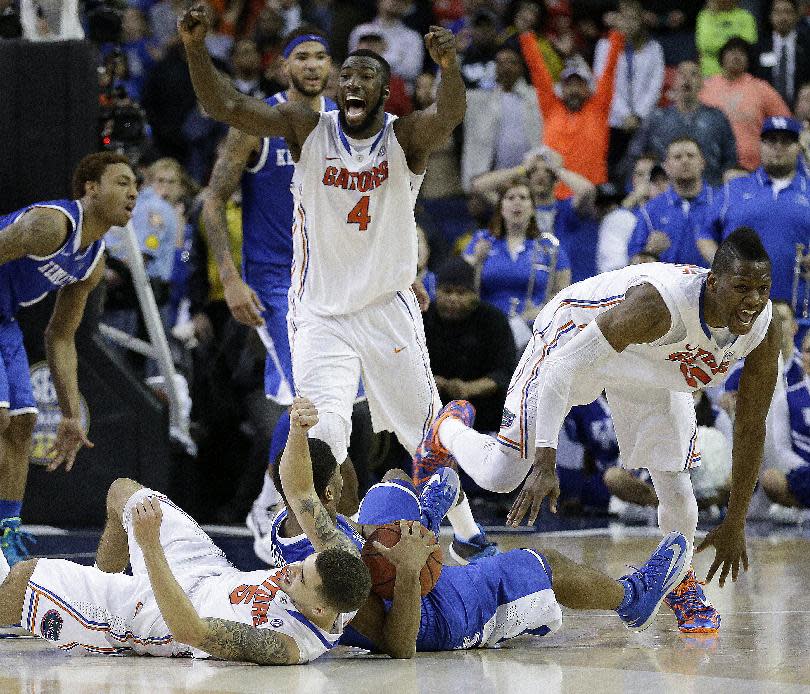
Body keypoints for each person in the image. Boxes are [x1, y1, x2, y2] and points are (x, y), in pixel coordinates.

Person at [180, 5, 491, 560]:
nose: (350, 82)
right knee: (323, 431)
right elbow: (221, 104)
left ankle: (468, 533)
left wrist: (449, 66)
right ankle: (309, 538)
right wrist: (196, 48)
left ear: (385, 90)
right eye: (345, 74)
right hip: (319, 311)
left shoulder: (406, 137)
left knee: (423, 427)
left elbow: (448, 116)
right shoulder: (307, 129)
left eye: (365, 75)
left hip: (386, 306)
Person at [416, 227, 781, 634]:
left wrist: (736, 520)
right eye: (742, 288)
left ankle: (680, 582)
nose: (753, 300)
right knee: (502, 476)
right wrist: (545, 460)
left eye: (762, 289)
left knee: (679, 491)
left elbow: (751, 426)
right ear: (713, 283)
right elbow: (561, 369)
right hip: (575, 337)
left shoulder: (762, 326)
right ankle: (447, 429)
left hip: (652, 363)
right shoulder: (658, 306)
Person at [268, 401, 691, 653]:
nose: (348, 484)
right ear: (327, 493)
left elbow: (299, 484)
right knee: (541, 563)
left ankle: (434, 516)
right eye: (342, 482)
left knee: (391, 485)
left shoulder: (286, 533)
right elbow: (399, 646)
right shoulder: (333, 573)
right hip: (429, 616)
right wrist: (413, 567)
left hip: (387, 571)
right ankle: (633, 599)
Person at [0, 470, 371, 663]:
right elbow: (302, 492)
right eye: (304, 562)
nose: (291, 569)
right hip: (209, 571)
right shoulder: (342, 568)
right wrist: (298, 429)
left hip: (163, 616)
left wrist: (149, 547)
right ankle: (94, 595)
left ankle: (101, 611)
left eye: (301, 577)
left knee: (22, 580)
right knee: (123, 493)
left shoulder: (287, 646)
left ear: (320, 609)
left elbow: (190, 629)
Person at [200, 26, 338, 537]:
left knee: (337, 403)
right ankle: (273, 503)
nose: (312, 65)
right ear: (284, 66)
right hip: (275, 283)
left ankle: (284, 497)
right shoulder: (257, 124)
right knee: (298, 398)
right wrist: (231, 280)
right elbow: (212, 204)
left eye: (321, 56)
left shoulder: (345, 126)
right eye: (302, 56)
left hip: (331, 283)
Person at [0, 152, 138, 566]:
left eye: (136, 186)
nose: (132, 192)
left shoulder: (92, 262)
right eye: (121, 182)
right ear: (90, 188)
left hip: (3, 318)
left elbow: (60, 336)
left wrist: (70, 413)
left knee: (23, 423)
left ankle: (6, 536)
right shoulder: (50, 225)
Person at [699, 116, 810, 305]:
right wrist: (723, 266)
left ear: (798, 147)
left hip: (800, 309)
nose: (778, 147)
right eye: (771, 140)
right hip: (737, 307)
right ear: (760, 145)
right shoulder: (733, 189)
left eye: (786, 141)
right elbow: (704, 233)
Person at [519, 27, 623, 193]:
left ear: (588, 89)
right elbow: (538, 71)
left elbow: (610, 71)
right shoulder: (552, 108)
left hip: (591, 194)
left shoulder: (598, 109)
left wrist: (617, 36)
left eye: (579, 84)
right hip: (554, 194)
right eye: (569, 84)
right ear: (562, 89)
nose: (574, 89)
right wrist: (526, 38)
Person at [463, 177, 572, 327]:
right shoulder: (481, 240)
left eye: (523, 197)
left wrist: (541, 312)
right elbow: (462, 284)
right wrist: (477, 259)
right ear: (501, 208)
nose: (517, 202)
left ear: (533, 208)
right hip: (488, 325)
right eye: (510, 197)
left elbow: (562, 293)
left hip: (534, 326)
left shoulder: (550, 246)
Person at [627, 60, 737, 186]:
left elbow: (730, 159)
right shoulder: (656, 118)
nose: (687, 79)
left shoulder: (717, 117)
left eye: (694, 74)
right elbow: (635, 156)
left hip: (711, 192)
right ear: (674, 82)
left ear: (702, 83)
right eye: (682, 74)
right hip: (664, 193)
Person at [700, 37, 791, 171]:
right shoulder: (705, 87)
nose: (736, 56)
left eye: (741, 53)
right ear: (722, 57)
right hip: (711, 168)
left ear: (749, 60)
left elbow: (785, 123)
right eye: (731, 52)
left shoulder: (762, 88)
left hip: (752, 169)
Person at [628, 137, 718, 267]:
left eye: (691, 156)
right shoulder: (650, 210)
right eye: (677, 157)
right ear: (666, 166)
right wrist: (649, 252)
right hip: (668, 286)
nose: (685, 161)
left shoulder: (720, 203)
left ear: (702, 162)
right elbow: (633, 264)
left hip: (711, 284)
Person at [755, 0, 810, 109]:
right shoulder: (759, 47)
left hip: (800, 108)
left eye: (787, 12)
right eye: (778, 12)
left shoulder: (807, 45)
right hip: (766, 108)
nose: (783, 17)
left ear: (796, 16)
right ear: (770, 16)